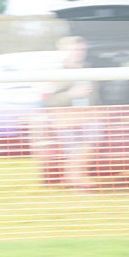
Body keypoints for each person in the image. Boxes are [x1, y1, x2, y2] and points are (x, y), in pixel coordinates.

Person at [41, 36, 100, 190]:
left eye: (82, 49)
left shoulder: (92, 70)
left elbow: (96, 98)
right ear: (63, 51)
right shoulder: (54, 74)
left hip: (89, 118)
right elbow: (47, 101)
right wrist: (70, 95)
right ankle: (77, 178)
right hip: (65, 119)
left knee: (91, 136)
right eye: (74, 49)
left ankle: (73, 177)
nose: (79, 53)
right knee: (73, 144)